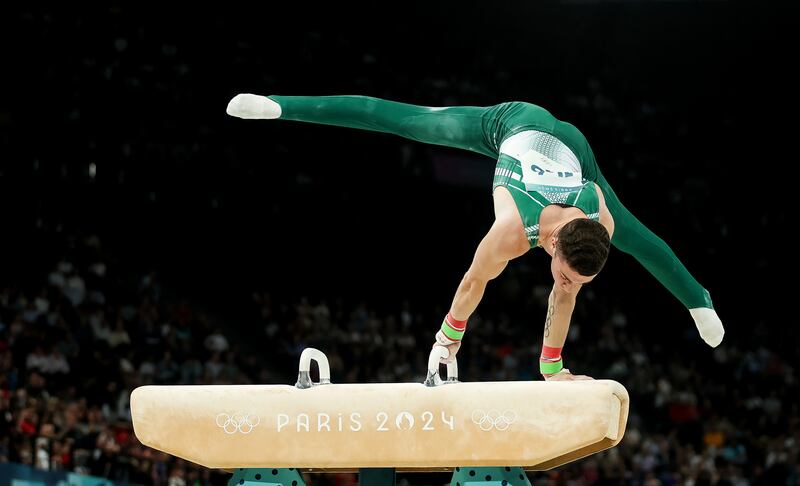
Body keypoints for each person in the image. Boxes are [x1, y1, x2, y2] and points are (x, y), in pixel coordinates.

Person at [225, 93, 725, 381]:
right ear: (552, 246)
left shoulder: (597, 214)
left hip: (577, 156)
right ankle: (279, 105)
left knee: (634, 236)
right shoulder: (510, 231)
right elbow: (471, 286)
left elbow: (572, 285)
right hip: (512, 124)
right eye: (568, 276)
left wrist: (553, 366)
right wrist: (447, 341)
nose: (569, 286)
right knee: (406, 122)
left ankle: (698, 299)